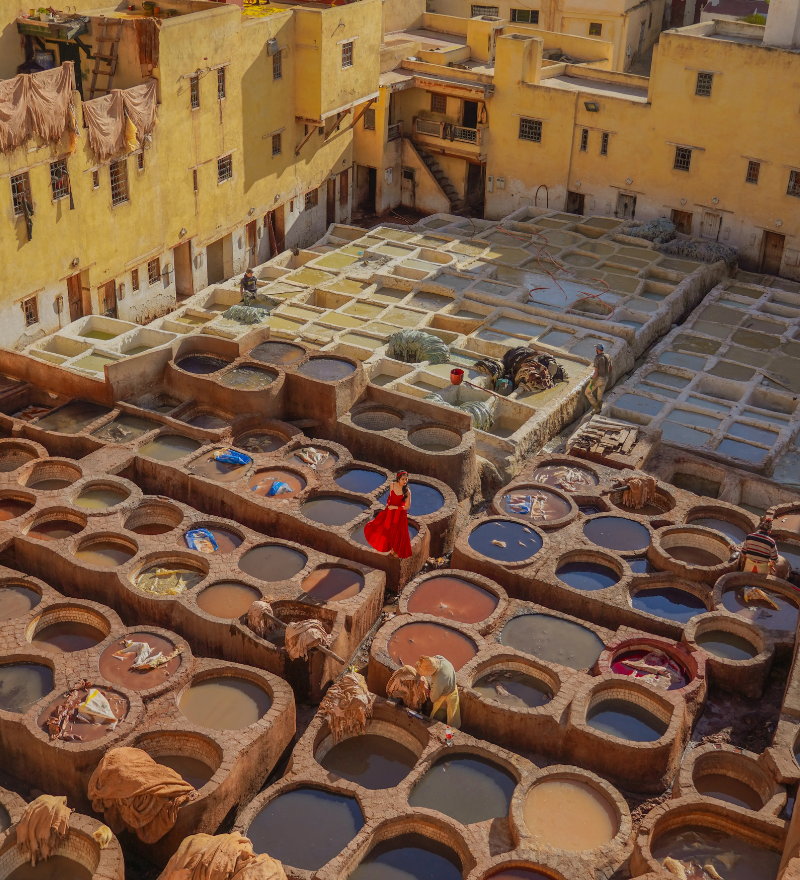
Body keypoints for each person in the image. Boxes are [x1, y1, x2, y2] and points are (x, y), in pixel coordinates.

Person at [363, 471, 412, 559]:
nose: (405, 481)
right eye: (403, 479)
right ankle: (390, 547)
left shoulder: (407, 491)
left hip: (400, 513)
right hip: (390, 511)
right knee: (386, 527)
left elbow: (407, 507)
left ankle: (394, 549)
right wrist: (388, 506)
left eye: (406, 479)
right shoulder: (392, 485)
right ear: (398, 479)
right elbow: (390, 497)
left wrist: (394, 507)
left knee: (398, 531)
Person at [416, 655, 460, 728]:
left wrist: (424, 687)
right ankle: (454, 727)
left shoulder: (438, 682)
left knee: (436, 718)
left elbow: (433, 699)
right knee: (453, 716)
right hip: (453, 690)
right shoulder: (441, 658)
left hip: (444, 697)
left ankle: (446, 730)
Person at [585, 343, 612, 414]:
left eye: (596, 348)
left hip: (599, 379)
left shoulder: (597, 358)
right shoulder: (608, 356)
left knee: (587, 392)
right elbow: (610, 368)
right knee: (600, 394)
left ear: (597, 349)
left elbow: (596, 372)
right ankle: (600, 408)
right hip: (606, 378)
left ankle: (596, 408)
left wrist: (592, 379)